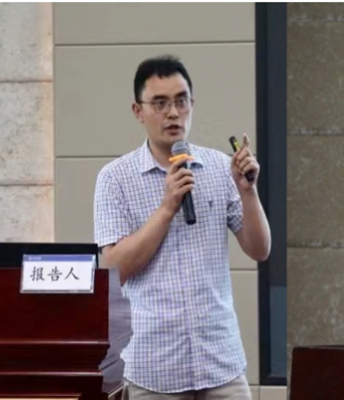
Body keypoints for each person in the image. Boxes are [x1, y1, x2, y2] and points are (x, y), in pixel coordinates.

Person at [93, 55, 270, 398]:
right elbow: (113, 270)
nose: (173, 113)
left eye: (181, 101)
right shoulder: (115, 178)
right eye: (160, 103)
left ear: (192, 104)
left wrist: (248, 192)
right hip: (155, 370)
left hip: (221, 364)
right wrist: (167, 208)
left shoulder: (221, 168)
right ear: (138, 111)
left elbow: (260, 250)